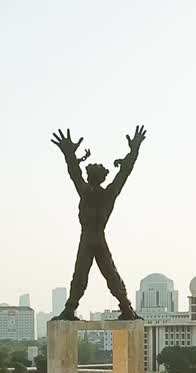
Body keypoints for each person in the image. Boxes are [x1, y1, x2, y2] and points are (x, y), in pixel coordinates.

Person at [50, 126, 147, 321]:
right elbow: (123, 174)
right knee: (109, 274)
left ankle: (73, 308)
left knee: (83, 275)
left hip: (88, 239)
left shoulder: (87, 192)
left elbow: (74, 173)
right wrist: (134, 151)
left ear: (90, 177)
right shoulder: (107, 195)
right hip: (97, 239)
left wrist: (69, 153)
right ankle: (125, 307)